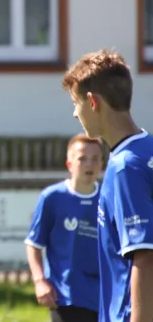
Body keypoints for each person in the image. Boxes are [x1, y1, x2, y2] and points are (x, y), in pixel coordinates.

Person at [62, 48, 153, 322]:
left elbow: (144, 257)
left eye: (76, 103)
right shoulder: (146, 148)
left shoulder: (125, 166)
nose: (74, 114)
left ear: (92, 102)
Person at [24, 133, 103, 322]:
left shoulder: (109, 197)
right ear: (69, 164)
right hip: (66, 297)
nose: (89, 164)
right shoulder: (52, 197)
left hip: (104, 296)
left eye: (95, 159)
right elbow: (33, 243)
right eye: (82, 158)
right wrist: (40, 281)